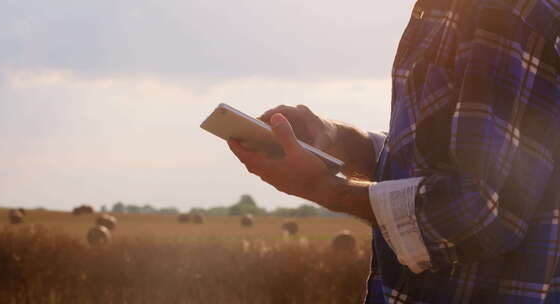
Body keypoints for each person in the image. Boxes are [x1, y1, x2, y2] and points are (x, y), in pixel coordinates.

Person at [227, 0, 560, 302]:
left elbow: (480, 208)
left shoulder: (502, 11)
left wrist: (325, 190)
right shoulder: (445, 11)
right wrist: (335, 137)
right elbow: (432, 160)